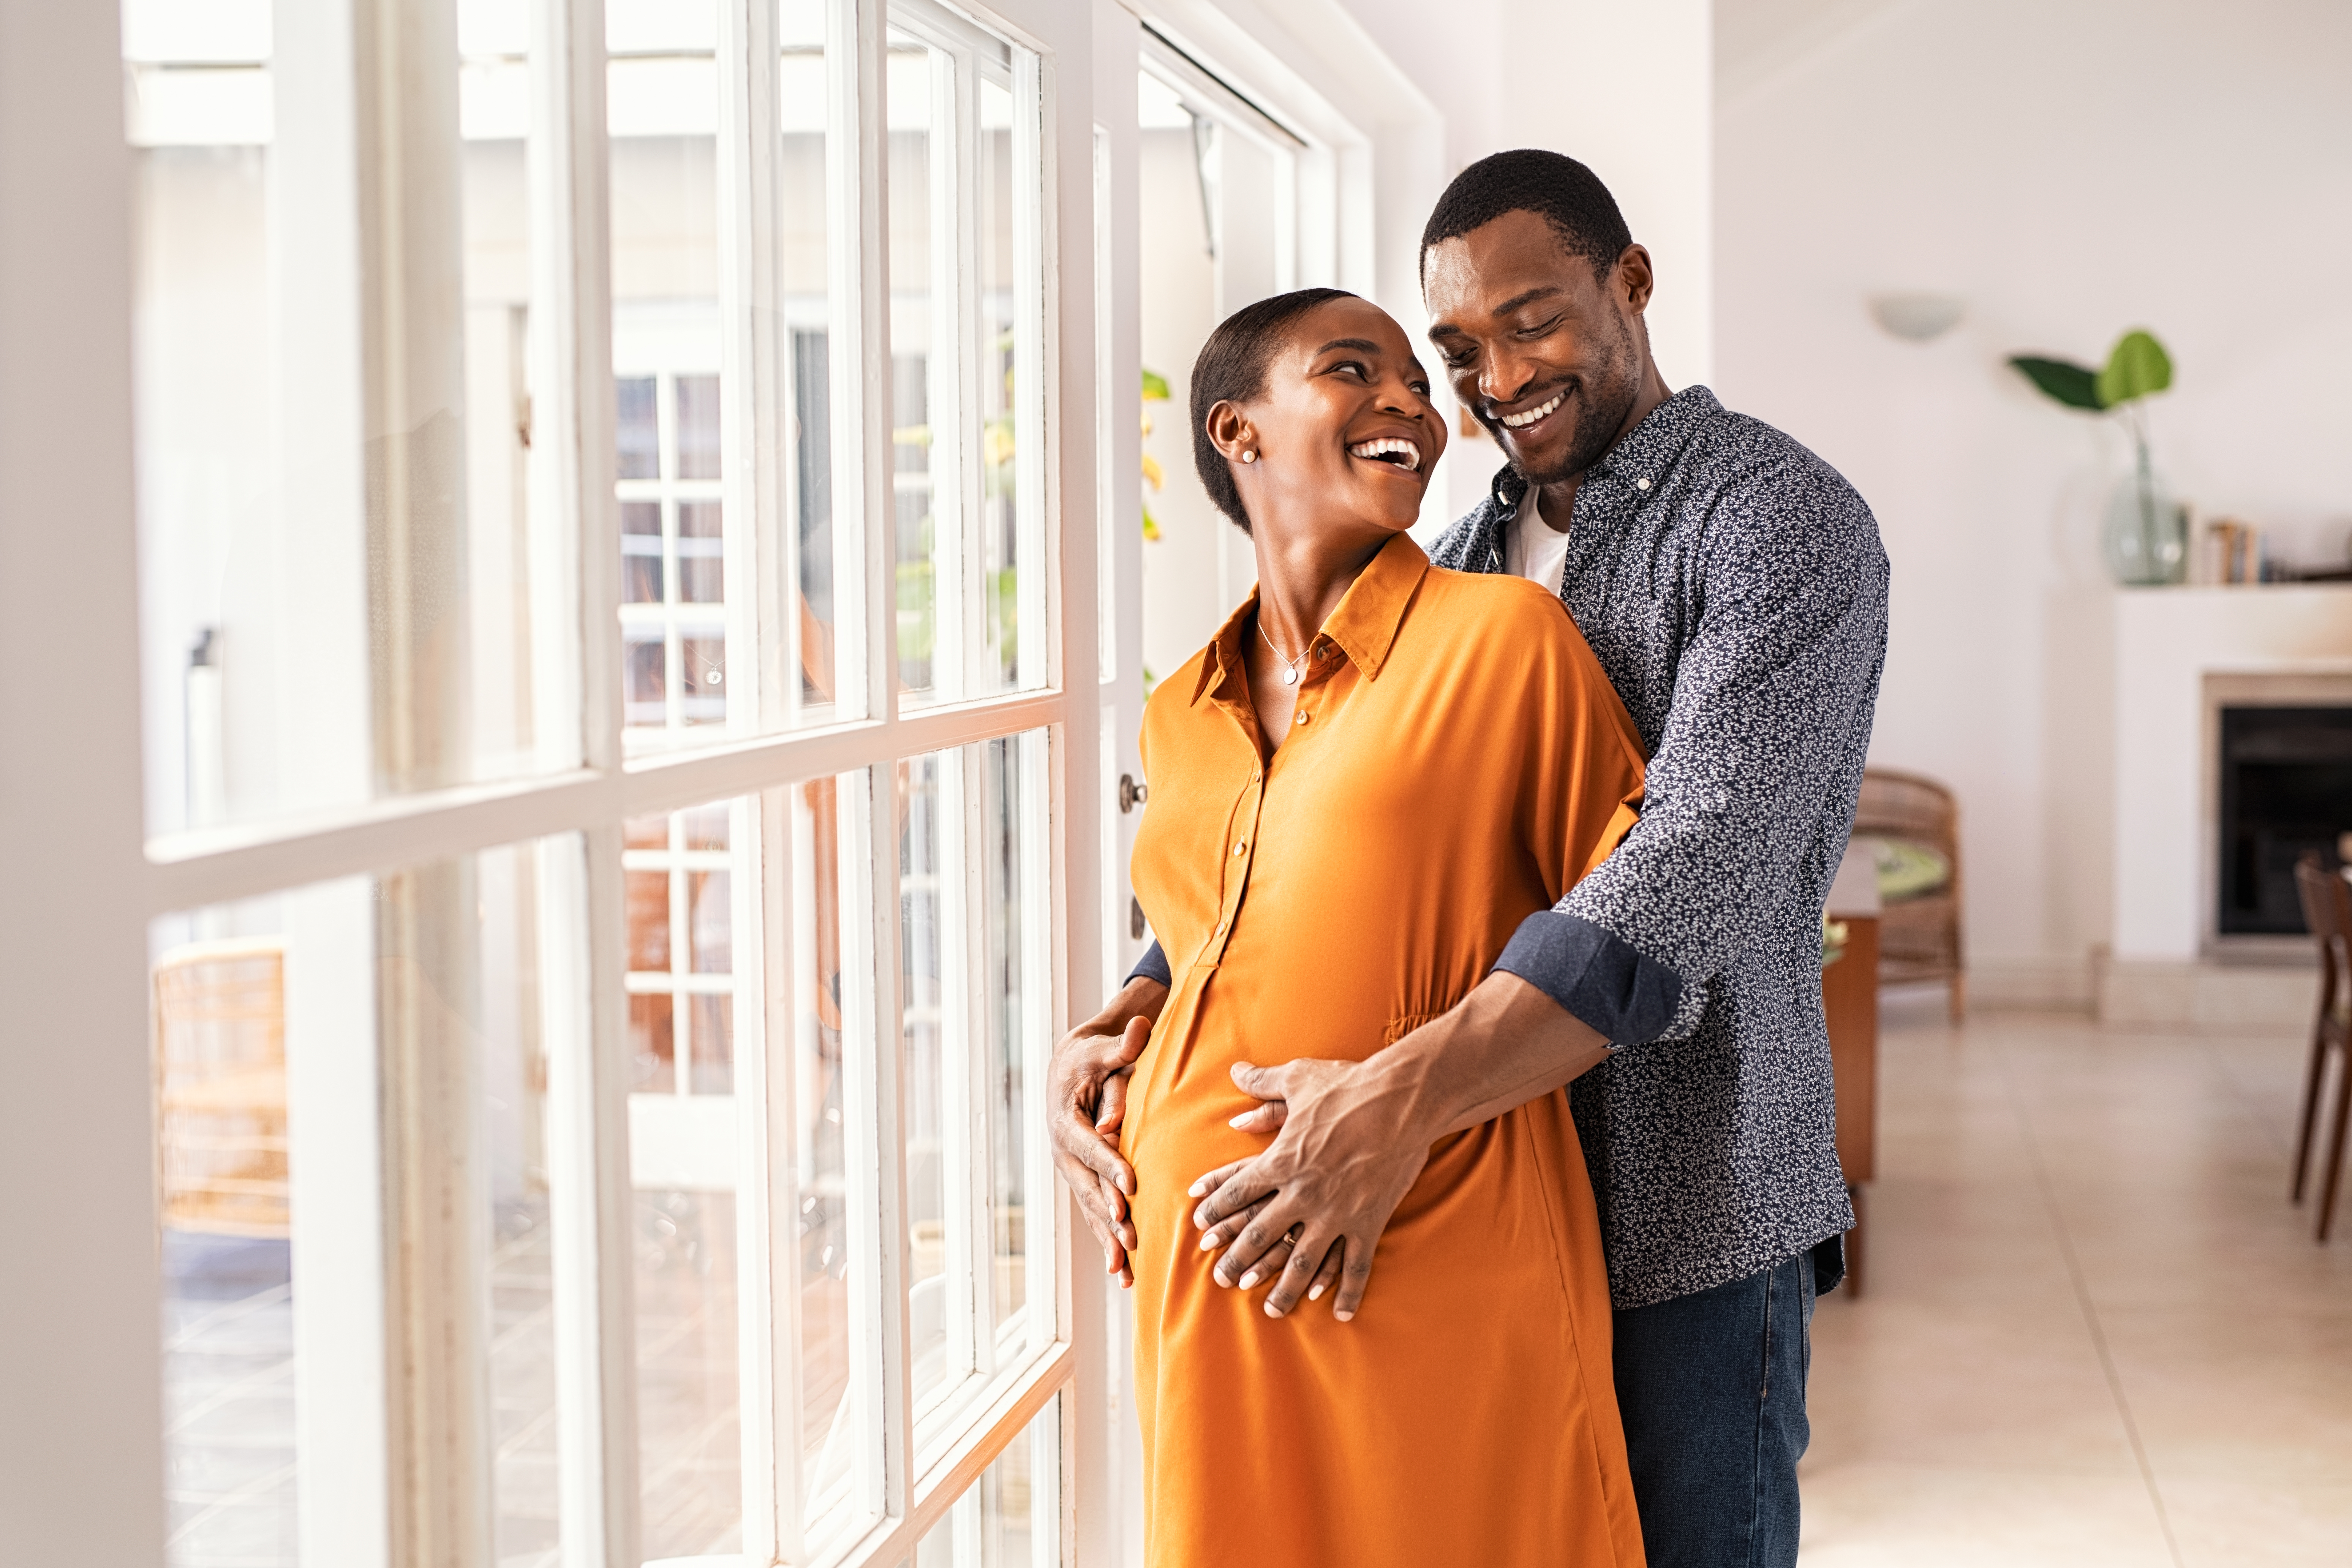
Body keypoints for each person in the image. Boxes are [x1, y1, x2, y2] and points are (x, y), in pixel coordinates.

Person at [1056, 149, 1890, 1568]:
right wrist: (1149, 999)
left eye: (1533, 321)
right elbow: (1343, 819)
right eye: (1461, 351)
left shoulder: (1779, 522)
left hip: (1686, 1205)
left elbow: (1691, 873)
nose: (1496, 379)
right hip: (1463, 1206)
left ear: (1631, 285)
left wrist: (1387, 1103)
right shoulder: (1453, 552)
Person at [1116, 284, 1650, 1566]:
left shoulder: (1507, 642)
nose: (1412, 398)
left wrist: (1400, 1107)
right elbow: (1212, 943)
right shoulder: (1178, 710)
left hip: (1437, 1259)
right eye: (1355, 369)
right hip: (1211, 1289)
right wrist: (1108, 1051)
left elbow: (1636, 947)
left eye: (1419, 377)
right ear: (1236, 430)